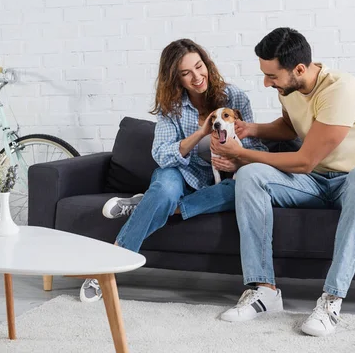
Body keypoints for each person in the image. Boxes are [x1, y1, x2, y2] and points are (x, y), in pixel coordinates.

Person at [211, 27, 355, 336]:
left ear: (299, 69)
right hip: (316, 182)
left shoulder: (341, 90)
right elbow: (289, 127)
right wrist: (250, 130)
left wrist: (242, 155)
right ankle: (264, 291)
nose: (267, 83)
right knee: (251, 176)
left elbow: (304, 160)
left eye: (272, 76)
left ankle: (331, 300)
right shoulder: (290, 89)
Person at [80, 38, 267, 303]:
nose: (197, 77)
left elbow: (255, 146)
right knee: (165, 189)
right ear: (175, 78)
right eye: (186, 73)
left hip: (221, 182)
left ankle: (147, 205)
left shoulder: (234, 97)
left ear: (207, 63)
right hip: (181, 172)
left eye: (199, 66)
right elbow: (161, 154)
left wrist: (237, 163)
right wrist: (200, 133)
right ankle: (106, 270)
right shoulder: (172, 106)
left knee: (241, 189)